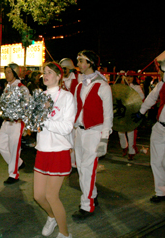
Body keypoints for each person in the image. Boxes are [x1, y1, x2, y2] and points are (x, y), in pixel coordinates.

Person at [133, 57, 165, 203]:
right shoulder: (162, 84)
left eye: (162, 71)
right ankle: (161, 192)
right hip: (159, 127)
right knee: (155, 162)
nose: (160, 74)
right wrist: (141, 112)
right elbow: (151, 98)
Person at [34, 62, 75, 238]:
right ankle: (51, 217)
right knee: (38, 196)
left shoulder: (67, 97)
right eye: (44, 72)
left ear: (59, 76)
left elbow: (67, 127)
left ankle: (65, 233)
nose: (46, 75)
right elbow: (35, 124)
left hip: (59, 151)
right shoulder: (39, 96)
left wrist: (45, 121)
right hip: (42, 150)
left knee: (52, 196)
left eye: (50, 72)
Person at [72, 50, 113, 219]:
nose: (79, 64)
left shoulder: (103, 86)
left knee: (87, 169)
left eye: (81, 61)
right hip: (79, 132)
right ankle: (92, 195)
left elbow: (108, 115)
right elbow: (75, 110)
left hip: (94, 132)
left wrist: (104, 138)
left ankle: (87, 205)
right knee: (82, 169)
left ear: (90, 63)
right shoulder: (80, 85)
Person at [0, 63, 29, 184]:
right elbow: (1, 102)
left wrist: (25, 124)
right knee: (0, 145)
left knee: (14, 149)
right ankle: (18, 163)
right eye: (5, 72)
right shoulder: (7, 87)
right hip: (6, 122)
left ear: (15, 73)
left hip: (16, 123)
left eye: (9, 72)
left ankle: (13, 174)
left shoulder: (22, 88)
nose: (6, 74)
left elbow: (26, 106)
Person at [118, 71, 145, 160]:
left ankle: (131, 151)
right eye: (127, 76)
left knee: (130, 132)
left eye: (131, 77)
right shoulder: (122, 85)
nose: (129, 78)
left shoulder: (136, 87)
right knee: (120, 130)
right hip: (122, 111)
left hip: (132, 111)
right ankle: (124, 147)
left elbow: (141, 97)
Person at [59, 58, 80, 168]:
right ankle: (67, 161)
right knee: (65, 139)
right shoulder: (60, 80)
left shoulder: (78, 79)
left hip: (75, 114)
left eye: (65, 69)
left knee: (75, 140)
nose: (63, 71)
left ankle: (74, 162)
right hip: (63, 114)